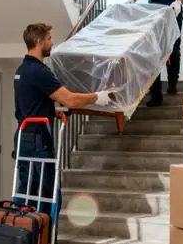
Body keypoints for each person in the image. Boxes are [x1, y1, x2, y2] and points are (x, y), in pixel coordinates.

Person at [12, 23, 113, 214]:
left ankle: (24, 235)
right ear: (40, 42)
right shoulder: (40, 72)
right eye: (49, 38)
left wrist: (52, 111)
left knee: (26, 194)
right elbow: (70, 99)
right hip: (37, 140)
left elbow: (30, 103)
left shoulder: (22, 70)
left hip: (24, 137)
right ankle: (46, 238)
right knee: (48, 195)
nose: (52, 42)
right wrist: (96, 97)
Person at [128, 0, 183, 106]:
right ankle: (156, 93)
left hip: (172, 10)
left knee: (172, 48)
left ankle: (172, 83)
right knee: (153, 51)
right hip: (154, 11)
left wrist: (178, 1)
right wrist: (132, 0)